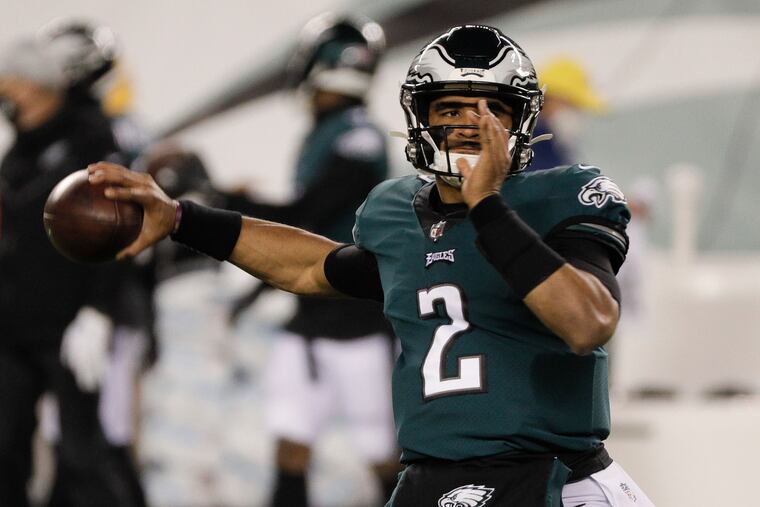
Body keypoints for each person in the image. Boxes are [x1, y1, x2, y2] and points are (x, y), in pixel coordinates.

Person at [90, 24, 655, 507]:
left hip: (556, 478)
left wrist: (487, 206)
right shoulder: (398, 214)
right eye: (450, 109)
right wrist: (183, 219)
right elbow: (311, 267)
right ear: (419, 118)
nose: (469, 125)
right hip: (435, 477)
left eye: (490, 110)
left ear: (521, 120)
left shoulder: (562, 196)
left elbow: (589, 322)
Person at [223, 13, 400, 506]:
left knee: (382, 455)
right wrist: (255, 291)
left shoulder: (358, 136)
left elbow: (305, 216)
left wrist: (220, 202)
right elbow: (302, 239)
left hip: (357, 322)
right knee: (290, 445)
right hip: (310, 320)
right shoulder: (328, 132)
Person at [0, 34, 145, 507]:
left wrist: (99, 309)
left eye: (11, 83)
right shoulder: (21, 148)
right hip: (16, 325)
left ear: (36, 84)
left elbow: (122, 228)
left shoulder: (94, 140)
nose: (6, 95)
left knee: (84, 453)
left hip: (71, 324)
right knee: (5, 447)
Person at [529, 57, 607, 171]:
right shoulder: (527, 150)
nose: (577, 116)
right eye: (573, 106)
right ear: (550, 99)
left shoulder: (553, 146)